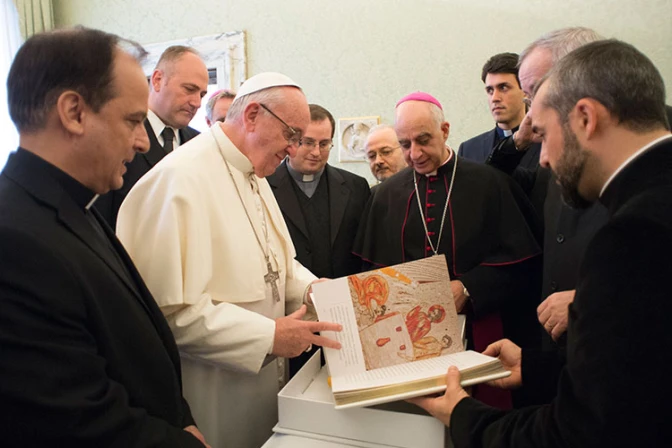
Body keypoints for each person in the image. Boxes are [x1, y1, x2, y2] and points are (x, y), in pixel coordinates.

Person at [411, 39, 672, 448]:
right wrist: (536, 367)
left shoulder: (635, 234)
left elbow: (579, 432)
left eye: (544, 134)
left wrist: (464, 415)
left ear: (585, 117)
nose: (544, 158)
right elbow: (641, 367)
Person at [0, 27, 207, 447]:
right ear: (74, 112)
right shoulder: (14, 240)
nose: (143, 140)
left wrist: (181, 417)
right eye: (132, 120)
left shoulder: (74, 203)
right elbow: (75, 419)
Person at [116, 72, 342, 448]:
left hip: (264, 385)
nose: (294, 149)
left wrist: (312, 290)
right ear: (252, 115)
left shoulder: (252, 173)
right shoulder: (178, 181)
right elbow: (165, 315)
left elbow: (277, 268)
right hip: (211, 394)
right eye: (292, 135)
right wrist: (270, 336)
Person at [354, 91, 542, 408]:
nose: (414, 153)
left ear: (444, 131)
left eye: (423, 140)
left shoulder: (490, 183)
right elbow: (369, 274)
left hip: (482, 331)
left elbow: (524, 262)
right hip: (407, 338)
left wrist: (469, 287)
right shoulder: (384, 195)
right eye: (405, 144)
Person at [95, 45, 208, 229]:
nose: (196, 103)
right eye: (189, 89)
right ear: (157, 80)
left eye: (202, 94)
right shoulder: (119, 137)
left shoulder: (200, 144)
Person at [267, 104, 370, 279]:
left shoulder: (356, 187)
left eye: (324, 144)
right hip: (287, 299)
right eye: (308, 142)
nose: (316, 152)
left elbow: (365, 249)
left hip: (343, 294)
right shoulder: (265, 185)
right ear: (292, 140)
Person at [458, 52, 539, 169]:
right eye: (490, 90)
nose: (495, 98)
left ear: (525, 92)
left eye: (503, 88)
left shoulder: (545, 142)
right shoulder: (469, 149)